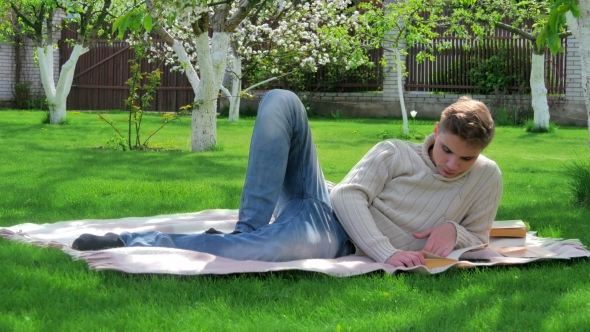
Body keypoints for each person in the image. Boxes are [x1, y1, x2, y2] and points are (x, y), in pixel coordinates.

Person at [73, 89, 502, 268]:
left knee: (269, 249)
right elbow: (350, 197)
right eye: (447, 150)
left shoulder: (486, 178)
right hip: (331, 211)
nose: (451, 164)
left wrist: (454, 230)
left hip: (336, 240)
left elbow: (478, 235)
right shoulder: (395, 151)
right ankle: (247, 229)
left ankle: (130, 241)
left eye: (465, 158)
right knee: (281, 101)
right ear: (435, 133)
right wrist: (387, 252)